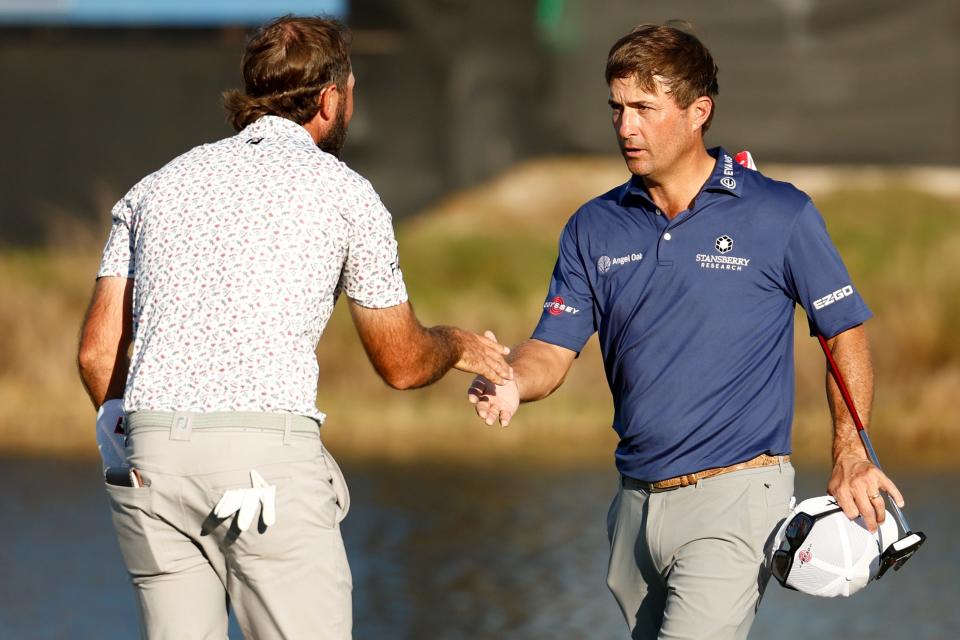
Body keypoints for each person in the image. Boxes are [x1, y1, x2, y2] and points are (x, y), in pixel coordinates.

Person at [77, 15, 513, 640]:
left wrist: (136, 444)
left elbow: (97, 354)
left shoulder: (153, 189)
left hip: (149, 461)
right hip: (262, 470)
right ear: (333, 98)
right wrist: (461, 344)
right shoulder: (346, 193)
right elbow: (401, 362)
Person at [467, 24, 904, 639]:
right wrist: (513, 379)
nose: (626, 127)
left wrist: (850, 451)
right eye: (617, 109)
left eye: (644, 109)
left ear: (700, 111)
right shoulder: (593, 227)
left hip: (736, 497)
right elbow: (553, 347)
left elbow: (844, 331)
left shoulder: (779, 212)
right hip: (634, 506)